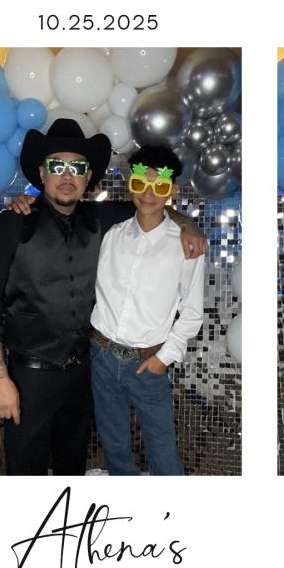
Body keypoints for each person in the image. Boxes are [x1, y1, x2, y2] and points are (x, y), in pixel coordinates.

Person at [0, 119, 205, 475]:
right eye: (57, 166)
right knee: (25, 469)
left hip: (85, 373)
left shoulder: (103, 219)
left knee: (74, 464)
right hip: (29, 377)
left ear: (88, 176)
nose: (67, 176)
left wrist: (189, 225)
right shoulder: (12, 223)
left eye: (77, 168)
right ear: (42, 173)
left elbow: (152, 204)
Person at [89, 146, 204, 475]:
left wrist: (163, 358)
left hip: (147, 361)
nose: (149, 193)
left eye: (159, 186)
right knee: (114, 446)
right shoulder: (112, 235)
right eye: (140, 183)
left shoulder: (186, 244)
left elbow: (192, 311)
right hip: (102, 354)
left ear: (173, 190)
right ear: (130, 185)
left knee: (163, 451)